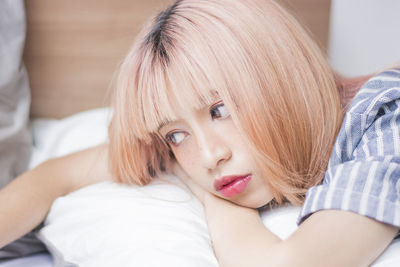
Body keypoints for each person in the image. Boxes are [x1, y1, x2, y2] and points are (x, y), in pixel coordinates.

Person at [1, 0, 399, 266]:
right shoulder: (185, 152)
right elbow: (55, 176)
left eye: (220, 110)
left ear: (279, 77)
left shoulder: (385, 120)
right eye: (175, 135)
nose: (209, 156)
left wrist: (216, 202)